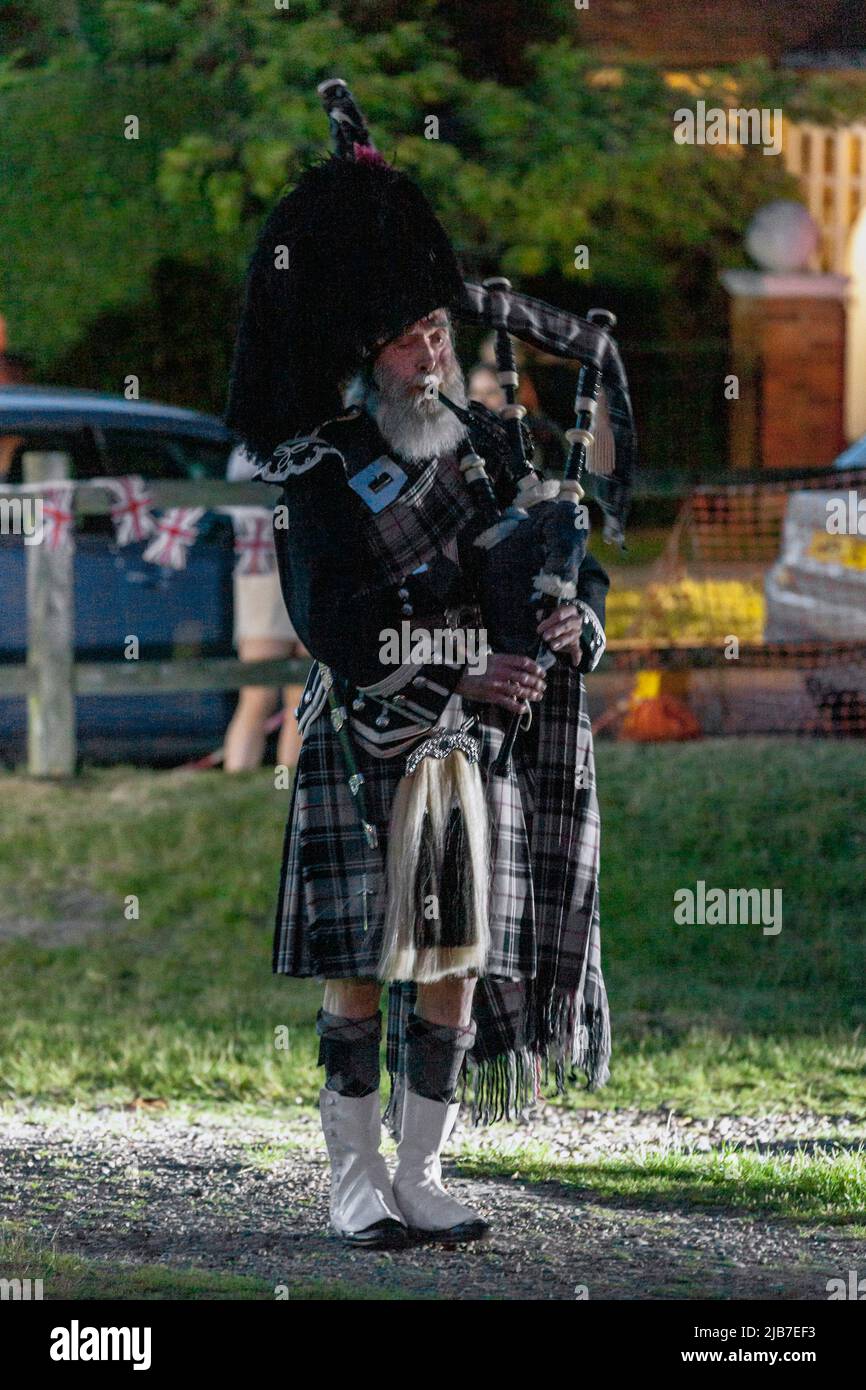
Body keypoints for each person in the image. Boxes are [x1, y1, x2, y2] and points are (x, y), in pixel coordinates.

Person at [225, 140, 611, 1251]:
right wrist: (459, 659)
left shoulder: (492, 446)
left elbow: (565, 562)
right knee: (357, 962)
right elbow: (328, 620)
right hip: (363, 734)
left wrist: (568, 615)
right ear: (366, 358)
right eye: (409, 338)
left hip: (461, 751)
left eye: (436, 330)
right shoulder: (321, 467)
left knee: (447, 957)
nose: (431, 349)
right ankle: (351, 1180)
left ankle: (422, 1170)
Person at [222, 441, 307, 773]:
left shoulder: (321, 437)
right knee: (258, 695)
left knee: (302, 700)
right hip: (266, 570)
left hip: (309, 569)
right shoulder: (250, 449)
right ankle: (239, 780)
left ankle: (288, 786)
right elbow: (240, 505)